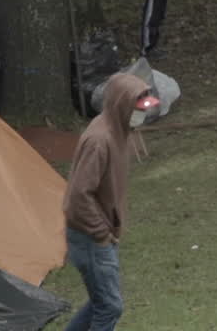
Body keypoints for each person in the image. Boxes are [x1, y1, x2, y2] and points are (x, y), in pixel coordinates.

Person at [63, 74, 158, 331]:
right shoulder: (99, 140)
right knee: (110, 307)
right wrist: (101, 233)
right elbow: (77, 196)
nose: (141, 115)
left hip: (99, 235)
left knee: (100, 303)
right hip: (90, 238)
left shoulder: (117, 129)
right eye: (137, 109)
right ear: (121, 105)